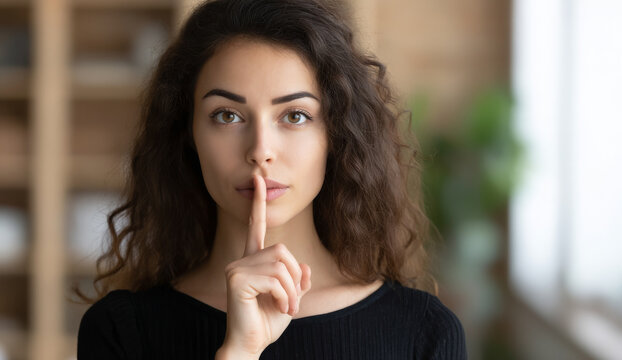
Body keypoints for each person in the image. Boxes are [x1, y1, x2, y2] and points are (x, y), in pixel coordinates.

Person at [76, 0, 467, 359]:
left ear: (336, 136)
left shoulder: (423, 333)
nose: (260, 150)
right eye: (227, 115)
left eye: (295, 115)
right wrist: (239, 351)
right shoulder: (121, 332)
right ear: (188, 134)